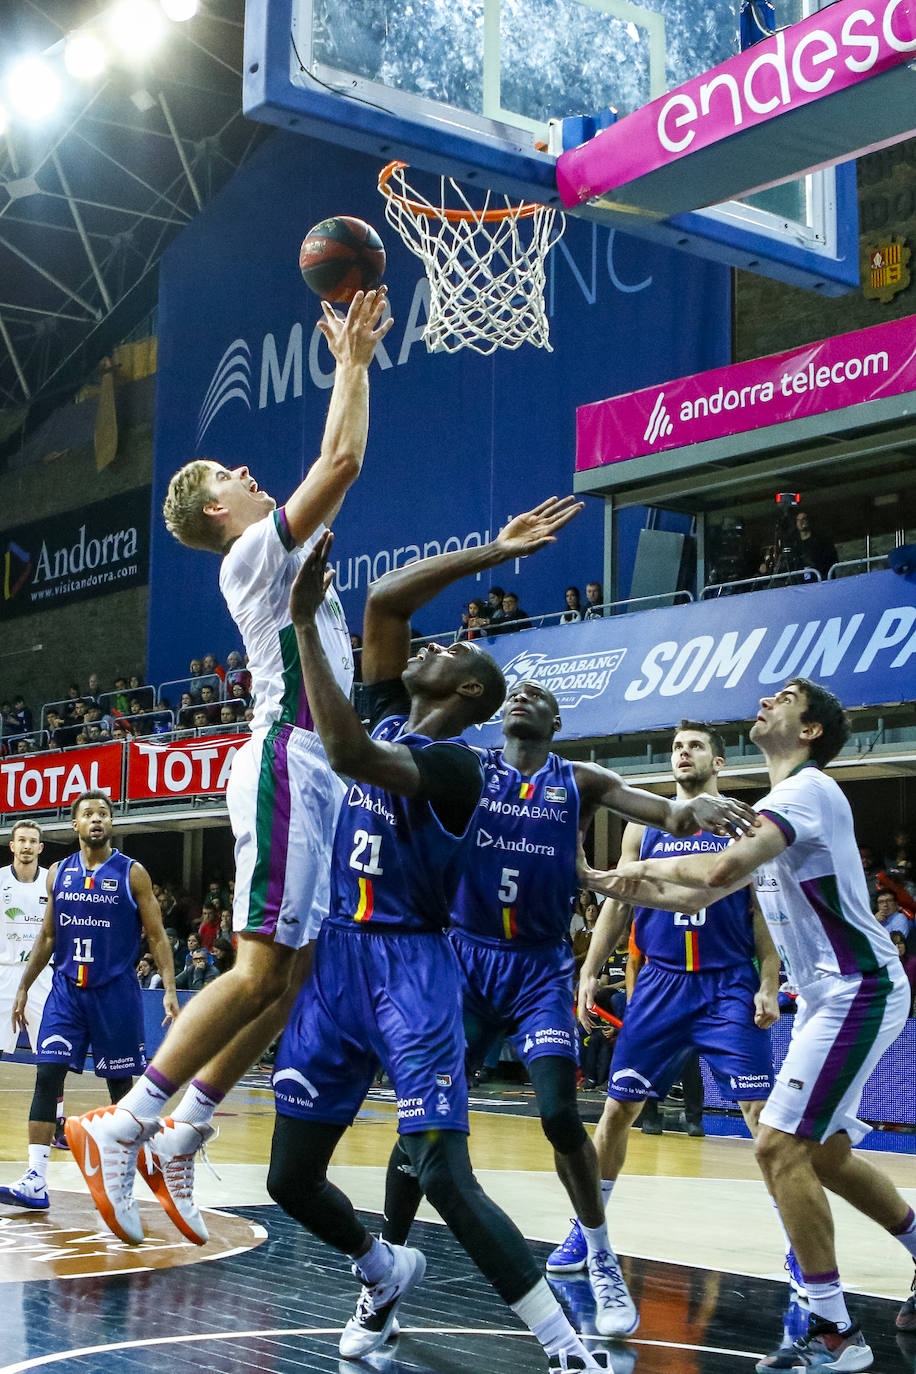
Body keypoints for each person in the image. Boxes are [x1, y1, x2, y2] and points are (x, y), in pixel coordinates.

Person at [66, 288, 393, 1249]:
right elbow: (341, 461)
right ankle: (123, 1123)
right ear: (221, 507)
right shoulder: (251, 551)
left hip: (316, 770)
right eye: (233, 471)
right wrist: (354, 361)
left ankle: (185, 1128)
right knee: (258, 973)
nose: (253, 472)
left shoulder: (265, 551)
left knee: (289, 980)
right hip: (285, 759)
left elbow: (336, 469)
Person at [267, 499, 618, 1374]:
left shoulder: (463, 768)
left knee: (441, 1173)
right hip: (338, 960)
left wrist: (307, 621)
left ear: (468, 693)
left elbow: (346, 756)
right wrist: (490, 549)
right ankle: (382, 1271)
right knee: (287, 1180)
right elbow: (386, 604)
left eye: (452, 650)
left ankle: (565, 1347)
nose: (432, 643)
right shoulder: (391, 709)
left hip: (411, 966)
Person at [378, 697, 755, 1338]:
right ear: (499, 716)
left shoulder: (580, 780)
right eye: (515, 692)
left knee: (559, 1113)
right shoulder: (469, 768)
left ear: (556, 726)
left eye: (540, 700)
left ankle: (600, 1254)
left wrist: (698, 808)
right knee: (425, 1116)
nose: (523, 698)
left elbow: (665, 812)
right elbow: (387, 766)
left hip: (538, 969)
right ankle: (384, 1272)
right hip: (463, 962)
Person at [593, 679, 916, 1371]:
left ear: (811, 732)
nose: (767, 701)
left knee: (775, 1146)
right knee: (821, 1155)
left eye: (786, 698)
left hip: (860, 988)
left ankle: (834, 1334)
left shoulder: (809, 793)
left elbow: (718, 867)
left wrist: (627, 865)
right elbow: (694, 890)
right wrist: (600, 880)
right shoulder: (773, 806)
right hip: (829, 997)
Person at [541, 720, 778, 1333]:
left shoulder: (741, 823)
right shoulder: (643, 825)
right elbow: (618, 899)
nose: (683, 753)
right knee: (617, 1111)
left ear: (719, 764)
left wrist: (770, 980)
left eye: (695, 746)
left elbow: (763, 913)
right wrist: (590, 971)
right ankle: (584, 1232)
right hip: (661, 986)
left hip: (727, 982)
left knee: (762, 1121)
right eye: (677, 746)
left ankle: (798, 1246)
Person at [0, 792, 177, 1215]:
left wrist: (169, 988)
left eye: (103, 814)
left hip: (114, 994)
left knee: (121, 1090)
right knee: (47, 1076)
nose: (96, 819)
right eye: (88, 814)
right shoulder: (58, 873)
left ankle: (124, 1184)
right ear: (75, 826)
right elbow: (46, 937)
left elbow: (156, 936)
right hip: (66, 991)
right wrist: (24, 986)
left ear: (111, 824)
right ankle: (35, 1179)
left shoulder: (132, 874)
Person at [791, 510, 838, 581]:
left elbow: (832, 559)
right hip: (802, 582)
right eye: (798, 520)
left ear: (809, 521)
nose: (801, 522)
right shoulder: (795, 543)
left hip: (821, 578)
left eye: (804, 519)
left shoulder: (821, 540)